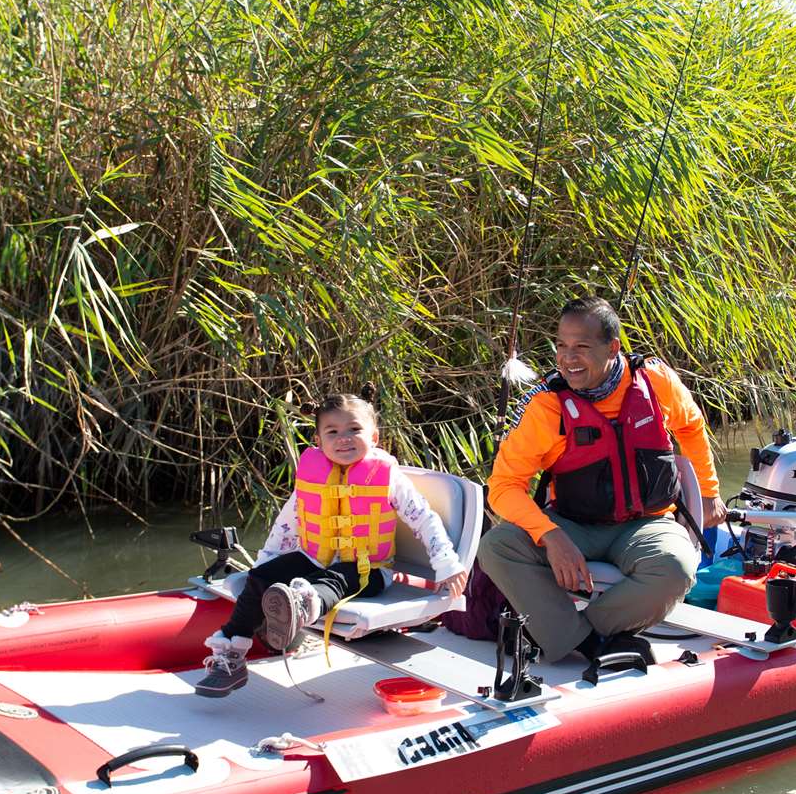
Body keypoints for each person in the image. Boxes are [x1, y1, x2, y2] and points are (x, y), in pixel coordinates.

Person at [477, 295, 720, 663]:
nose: (567, 358)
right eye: (561, 346)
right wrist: (551, 535)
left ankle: (575, 635)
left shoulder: (655, 380)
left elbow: (691, 424)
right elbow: (503, 486)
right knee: (496, 547)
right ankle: (590, 644)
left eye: (581, 347)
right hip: (573, 524)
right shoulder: (547, 405)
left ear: (613, 348)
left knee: (677, 567)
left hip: (646, 524)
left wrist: (709, 491)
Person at [197, 394, 470, 696]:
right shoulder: (313, 475)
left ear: (374, 437)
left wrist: (447, 564)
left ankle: (301, 605)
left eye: (354, 430)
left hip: (369, 569)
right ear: (318, 440)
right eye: (333, 432)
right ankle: (232, 656)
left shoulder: (388, 476)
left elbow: (424, 519)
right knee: (260, 578)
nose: (344, 439)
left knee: (335, 578)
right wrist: (264, 564)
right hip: (313, 558)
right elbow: (287, 525)